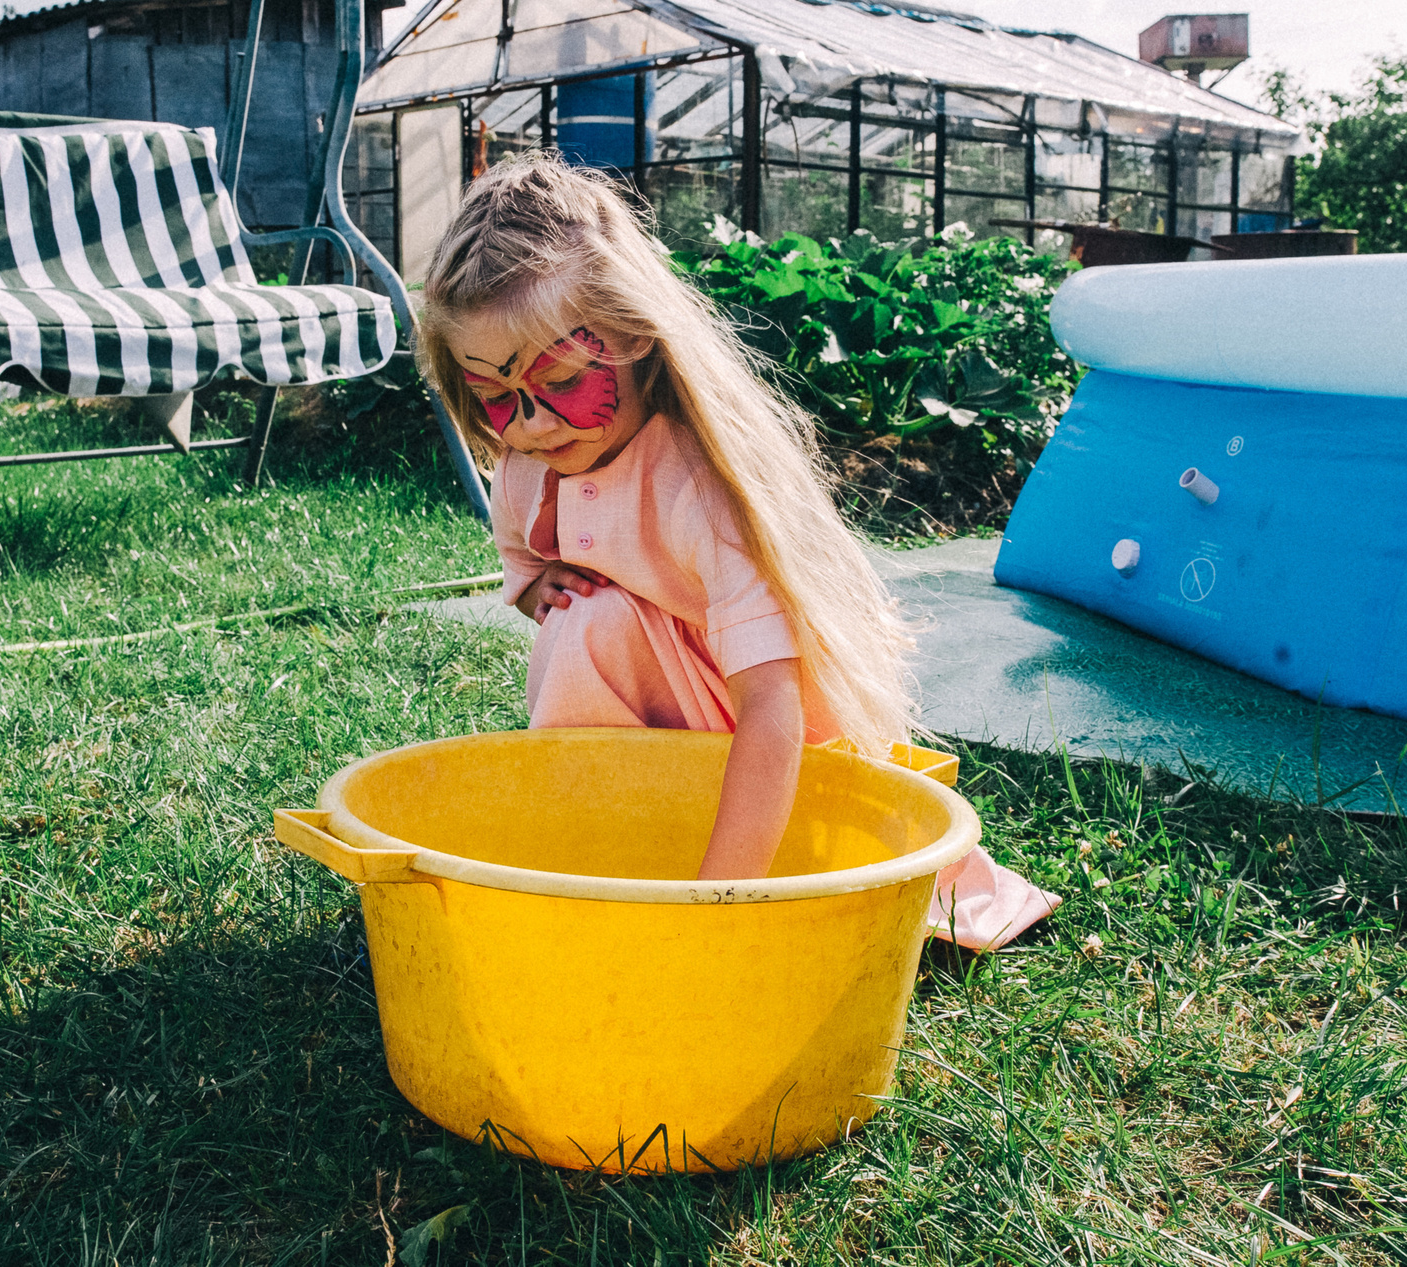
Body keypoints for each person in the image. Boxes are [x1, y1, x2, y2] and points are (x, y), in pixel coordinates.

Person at [416, 156, 1059, 951]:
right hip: (671, 736)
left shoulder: (700, 489)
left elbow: (772, 709)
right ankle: (609, 854)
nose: (534, 422)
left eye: (564, 380)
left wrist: (720, 904)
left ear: (634, 331)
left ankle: (688, 867)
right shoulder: (527, 469)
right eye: (496, 396)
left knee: (592, 629)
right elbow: (522, 562)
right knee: (586, 620)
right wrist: (538, 586)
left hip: (776, 750)